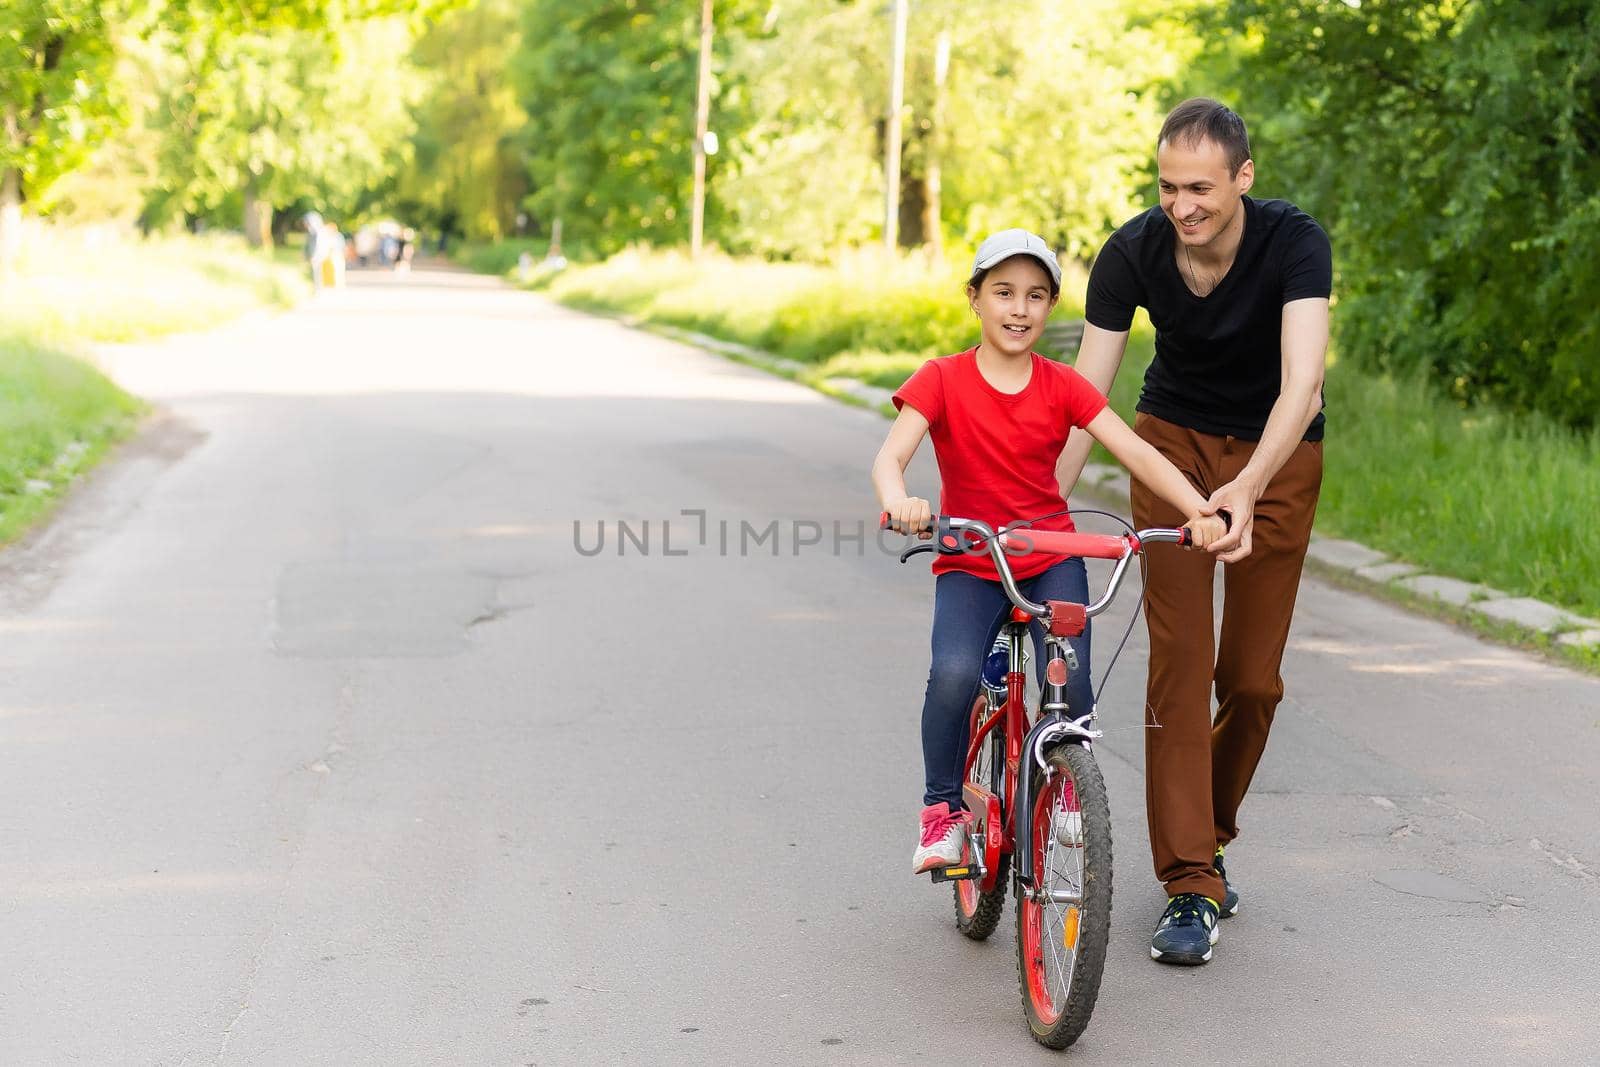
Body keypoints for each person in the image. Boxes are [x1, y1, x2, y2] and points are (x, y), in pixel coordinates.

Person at [1056, 98, 1331, 966]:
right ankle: (1189, 883)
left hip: (1276, 456)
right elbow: (1083, 399)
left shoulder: (1293, 243)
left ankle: (1203, 835)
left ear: (1243, 177)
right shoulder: (1132, 251)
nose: (1184, 206)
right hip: (1170, 447)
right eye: (1170, 187)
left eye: (1202, 188)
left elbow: (1305, 385)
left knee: (1249, 681)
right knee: (1178, 666)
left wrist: (1249, 486)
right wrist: (1038, 506)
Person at [872, 228, 1231, 879]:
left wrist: (1200, 510)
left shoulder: (1062, 385)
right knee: (953, 672)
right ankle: (942, 809)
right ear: (975, 298)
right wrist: (901, 498)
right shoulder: (942, 379)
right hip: (972, 559)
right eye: (1003, 292)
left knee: (1071, 673)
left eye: (1036, 295)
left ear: (1050, 305)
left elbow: (1139, 451)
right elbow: (891, 456)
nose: (1019, 308)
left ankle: (1066, 784)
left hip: (1049, 552)